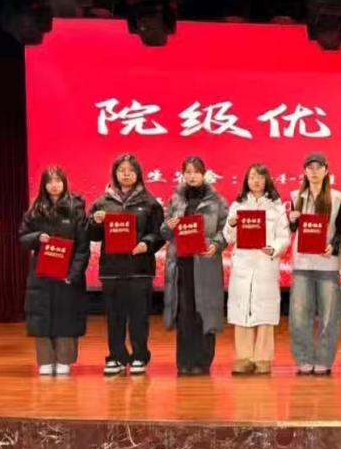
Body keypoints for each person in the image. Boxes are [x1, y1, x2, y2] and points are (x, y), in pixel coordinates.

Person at [89, 154, 165, 376]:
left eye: (130, 170)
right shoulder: (102, 203)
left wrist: (146, 244)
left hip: (140, 268)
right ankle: (116, 357)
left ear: (138, 174)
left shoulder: (150, 203)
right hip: (112, 269)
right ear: (115, 173)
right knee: (114, 316)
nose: (126, 174)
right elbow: (91, 235)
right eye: (122, 170)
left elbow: (159, 233)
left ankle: (139, 356)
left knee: (139, 316)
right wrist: (95, 222)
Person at [19, 166, 89, 376]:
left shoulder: (76, 209)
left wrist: (74, 274)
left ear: (64, 183)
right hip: (42, 273)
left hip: (67, 275)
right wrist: (36, 237)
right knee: (41, 316)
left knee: (66, 315)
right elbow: (22, 237)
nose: (54, 185)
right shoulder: (35, 209)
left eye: (58, 180)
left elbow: (83, 247)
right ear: (44, 185)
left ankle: (64, 360)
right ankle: (45, 360)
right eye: (50, 181)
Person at [163, 157, 229, 376]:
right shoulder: (176, 199)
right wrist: (169, 226)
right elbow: (164, 231)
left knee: (205, 311)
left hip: (205, 263)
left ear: (204, 174)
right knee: (185, 313)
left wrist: (216, 244)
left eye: (196, 172)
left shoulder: (217, 201)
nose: (192, 176)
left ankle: (203, 361)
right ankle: (184, 360)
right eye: (188, 172)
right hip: (182, 264)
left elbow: (226, 230)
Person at [223, 164, 290, 376]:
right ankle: (243, 357)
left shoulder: (276, 208)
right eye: (252, 177)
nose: (256, 181)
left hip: (265, 264)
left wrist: (274, 249)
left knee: (265, 311)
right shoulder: (237, 206)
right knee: (242, 309)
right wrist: (232, 224)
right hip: (243, 265)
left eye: (260, 177)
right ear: (247, 181)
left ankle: (262, 358)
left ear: (267, 180)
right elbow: (228, 237)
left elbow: (284, 237)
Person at [289, 153, 341, 376]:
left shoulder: (337, 198)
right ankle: (304, 358)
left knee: (329, 316)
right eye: (310, 167)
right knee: (299, 315)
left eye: (318, 167)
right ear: (304, 171)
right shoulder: (296, 196)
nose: (314, 171)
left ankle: (324, 359)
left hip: (327, 264)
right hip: (302, 263)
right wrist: (292, 220)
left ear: (326, 170)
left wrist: (334, 246)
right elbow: (292, 230)